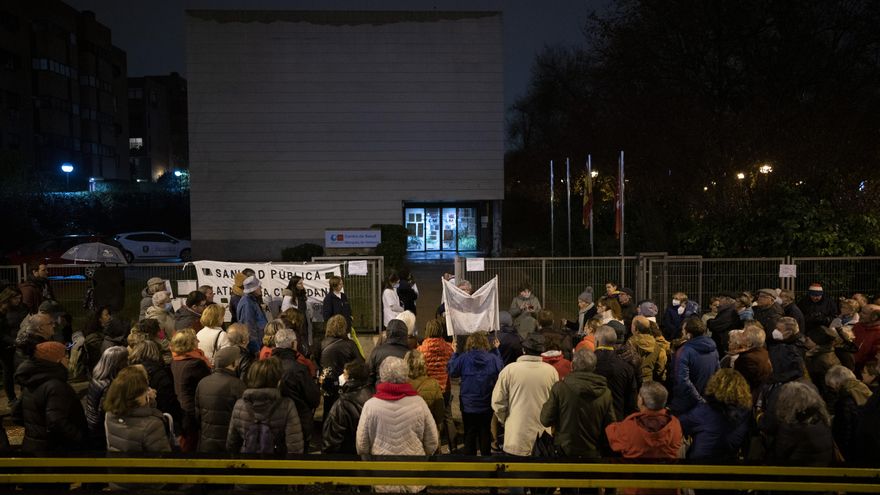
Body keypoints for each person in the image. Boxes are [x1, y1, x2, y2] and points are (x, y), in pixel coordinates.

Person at [356, 356, 438, 493]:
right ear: (406, 375)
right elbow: (432, 442)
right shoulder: (419, 403)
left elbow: (361, 445)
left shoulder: (370, 406)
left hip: (382, 478)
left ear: (382, 375)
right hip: (414, 478)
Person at [103, 365, 173, 490]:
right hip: (145, 486)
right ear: (136, 396)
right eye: (145, 390)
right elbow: (163, 462)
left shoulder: (110, 415)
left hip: (118, 481)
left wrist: (149, 402)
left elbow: (136, 413)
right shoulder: (151, 425)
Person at [492, 333, 559, 456]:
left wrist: (506, 420)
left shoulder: (509, 370)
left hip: (516, 437)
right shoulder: (551, 372)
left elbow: (497, 402)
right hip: (542, 439)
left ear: (523, 350)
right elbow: (555, 404)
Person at [540, 348, 616, 458]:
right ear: (594, 368)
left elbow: (545, 420)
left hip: (563, 452)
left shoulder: (560, 388)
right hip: (592, 454)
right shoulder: (605, 393)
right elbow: (611, 427)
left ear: (572, 366)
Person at [15, 341, 87, 453]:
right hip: (54, 451)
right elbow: (56, 422)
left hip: (32, 446)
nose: (68, 359)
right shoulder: (56, 386)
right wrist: (80, 438)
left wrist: (35, 431)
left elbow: (16, 414)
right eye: (65, 356)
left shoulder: (30, 381)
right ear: (57, 360)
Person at [227, 357, 304, 455]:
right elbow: (294, 447)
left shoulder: (240, 405)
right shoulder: (287, 405)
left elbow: (232, 443)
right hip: (276, 460)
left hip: (247, 460)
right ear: (277, 380)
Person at [448, 331, 504, 455]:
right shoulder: (492, 358)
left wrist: (455, 353)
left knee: (469, 433)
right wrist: (496, 350)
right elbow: (501, 369)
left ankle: (470, 462)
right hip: (486, 403)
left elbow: (452, 371)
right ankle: (486, 461)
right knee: (485, 432)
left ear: (470, 343)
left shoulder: (464, 358)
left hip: (468, 404)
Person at [605, 382, 682, 471]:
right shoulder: (675, 424)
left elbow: (611, 435)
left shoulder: (629, 427)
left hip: (635, 477)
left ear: (641, 400)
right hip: (666, 477)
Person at [677, 368, 751, 461]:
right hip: (730, 462)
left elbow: (679, 424)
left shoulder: (705, 411)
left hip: (701, 463)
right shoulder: (745, 413)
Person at [273, 328, 320, 453]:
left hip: (272, 422)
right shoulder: (299, 370)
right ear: (294, 344)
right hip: (298, 422)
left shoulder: (265, 366)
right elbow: (314, 399)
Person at [764, 381, 833, 466]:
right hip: (821, 469)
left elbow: (780, 455)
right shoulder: (822, 419)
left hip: (797, 470)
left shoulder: (793, 427)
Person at [194, 346, 245, 453]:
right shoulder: (237, 385)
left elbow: (198, 415)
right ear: (232, 363)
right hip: (229, 444)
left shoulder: (203, 382)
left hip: (206, 442)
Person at [169, 330, 211, 452]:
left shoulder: (175, 360)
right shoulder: (196, 364)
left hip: (181, 408)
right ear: (189, 344)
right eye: (195, 339)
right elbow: (207, 384)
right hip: (192, 411)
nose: (198, 341)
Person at [128, 339, 182, 433]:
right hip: (157, 421)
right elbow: (169, 401)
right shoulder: (161, 374)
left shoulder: (128, 371)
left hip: (133, 422)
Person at [417, 318, 456, 446]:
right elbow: (453, 366)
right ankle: (453, 446)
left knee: (429, 418)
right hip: (445, 387)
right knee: (447, 417)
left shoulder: (421, 349)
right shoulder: (448, 348)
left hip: (427, 388)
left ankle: (433, 446)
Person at [669, 317, 719, 415]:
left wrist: (699, 400)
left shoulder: (684, 351)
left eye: (683, 330)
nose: (682, 332)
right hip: (707, 400)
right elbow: (717, 374)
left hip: (687, 404)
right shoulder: (713, 349)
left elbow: (682, 380)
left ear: (689, 334)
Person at [316, 314, 363, 418]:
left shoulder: (321, 343)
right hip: (345, 382)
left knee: (328, 409)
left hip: (327, 382)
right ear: (344, 327)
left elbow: (317, 362)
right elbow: (360, 362)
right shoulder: (350, 344)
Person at [322, 360, 372, 454]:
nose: (342, 376)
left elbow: (332, 439)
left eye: (344, 374)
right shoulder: (372, 396)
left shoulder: (343, 403)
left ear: (351, 379)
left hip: (346, 454)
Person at [84, 345, 129, 449]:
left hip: (91, 423)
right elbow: (104, 412)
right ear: (119, 364)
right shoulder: (109, 385)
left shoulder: (98, 377)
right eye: (126, 360)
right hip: (100, 432)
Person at [825, 364, 872, 461]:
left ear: (837, 383)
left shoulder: (844, 400)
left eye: (831, 387)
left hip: (854, 451)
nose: (832, 390)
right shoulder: (864, 389)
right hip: (868, 446)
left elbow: (845, 431)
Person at [593, 325, 639, 421]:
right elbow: (632, 400)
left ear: (596, 342)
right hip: (617, 418)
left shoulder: (589, 363)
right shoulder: (626, 367)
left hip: (593, 418)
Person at [406, 350, 446, 435]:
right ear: (423, 364)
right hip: (427, 430)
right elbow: (439, 411)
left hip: (406, 431)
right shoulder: (433, 384)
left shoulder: (399, 383)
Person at [369, 318, 410, 385]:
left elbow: (370, 376)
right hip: (403, 390)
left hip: (380, 389)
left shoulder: (376, 351)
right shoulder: (410, 353)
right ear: (405, 334)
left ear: (387, 333)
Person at [627, 316, 667, 384]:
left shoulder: (630, 343)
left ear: (635, 328)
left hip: (633, 381)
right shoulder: (657, 345)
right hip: (649, 382)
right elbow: (660, 367)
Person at [236, 275, 267, 354]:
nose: (261, 288)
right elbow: (248, 327)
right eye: (259, 286)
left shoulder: (252, 300)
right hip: (255, 344)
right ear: (254, 289)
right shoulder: (247, 303)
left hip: (259, 340)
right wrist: (255, 348)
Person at [0, 288, 21, 406]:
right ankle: (11, 398)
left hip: (11, 344)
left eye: (19, 298)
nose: (18, 300)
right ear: (8, 299)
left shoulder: (13, 309)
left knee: (13, 369)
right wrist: (13, 340)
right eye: (16, 298)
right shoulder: (2, 312)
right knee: (8, 371)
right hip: (3, 346)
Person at [281, 275, 313, 349]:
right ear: (294, 284)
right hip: (295, 325)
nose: (302, 285)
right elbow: (285, 312)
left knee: (305, 342)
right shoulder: (288, 297)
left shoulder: (302, 295)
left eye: (302, 283)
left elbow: (307, 309)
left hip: (304, 323)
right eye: (300, 283)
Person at [853, 304, 880, 373]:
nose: (860, 314)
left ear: (875, 317)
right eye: (861, 311)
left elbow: (875, 358)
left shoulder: (878, 333)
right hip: (850, 363)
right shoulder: (858, 326)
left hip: (864, 371)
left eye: (864, 313)